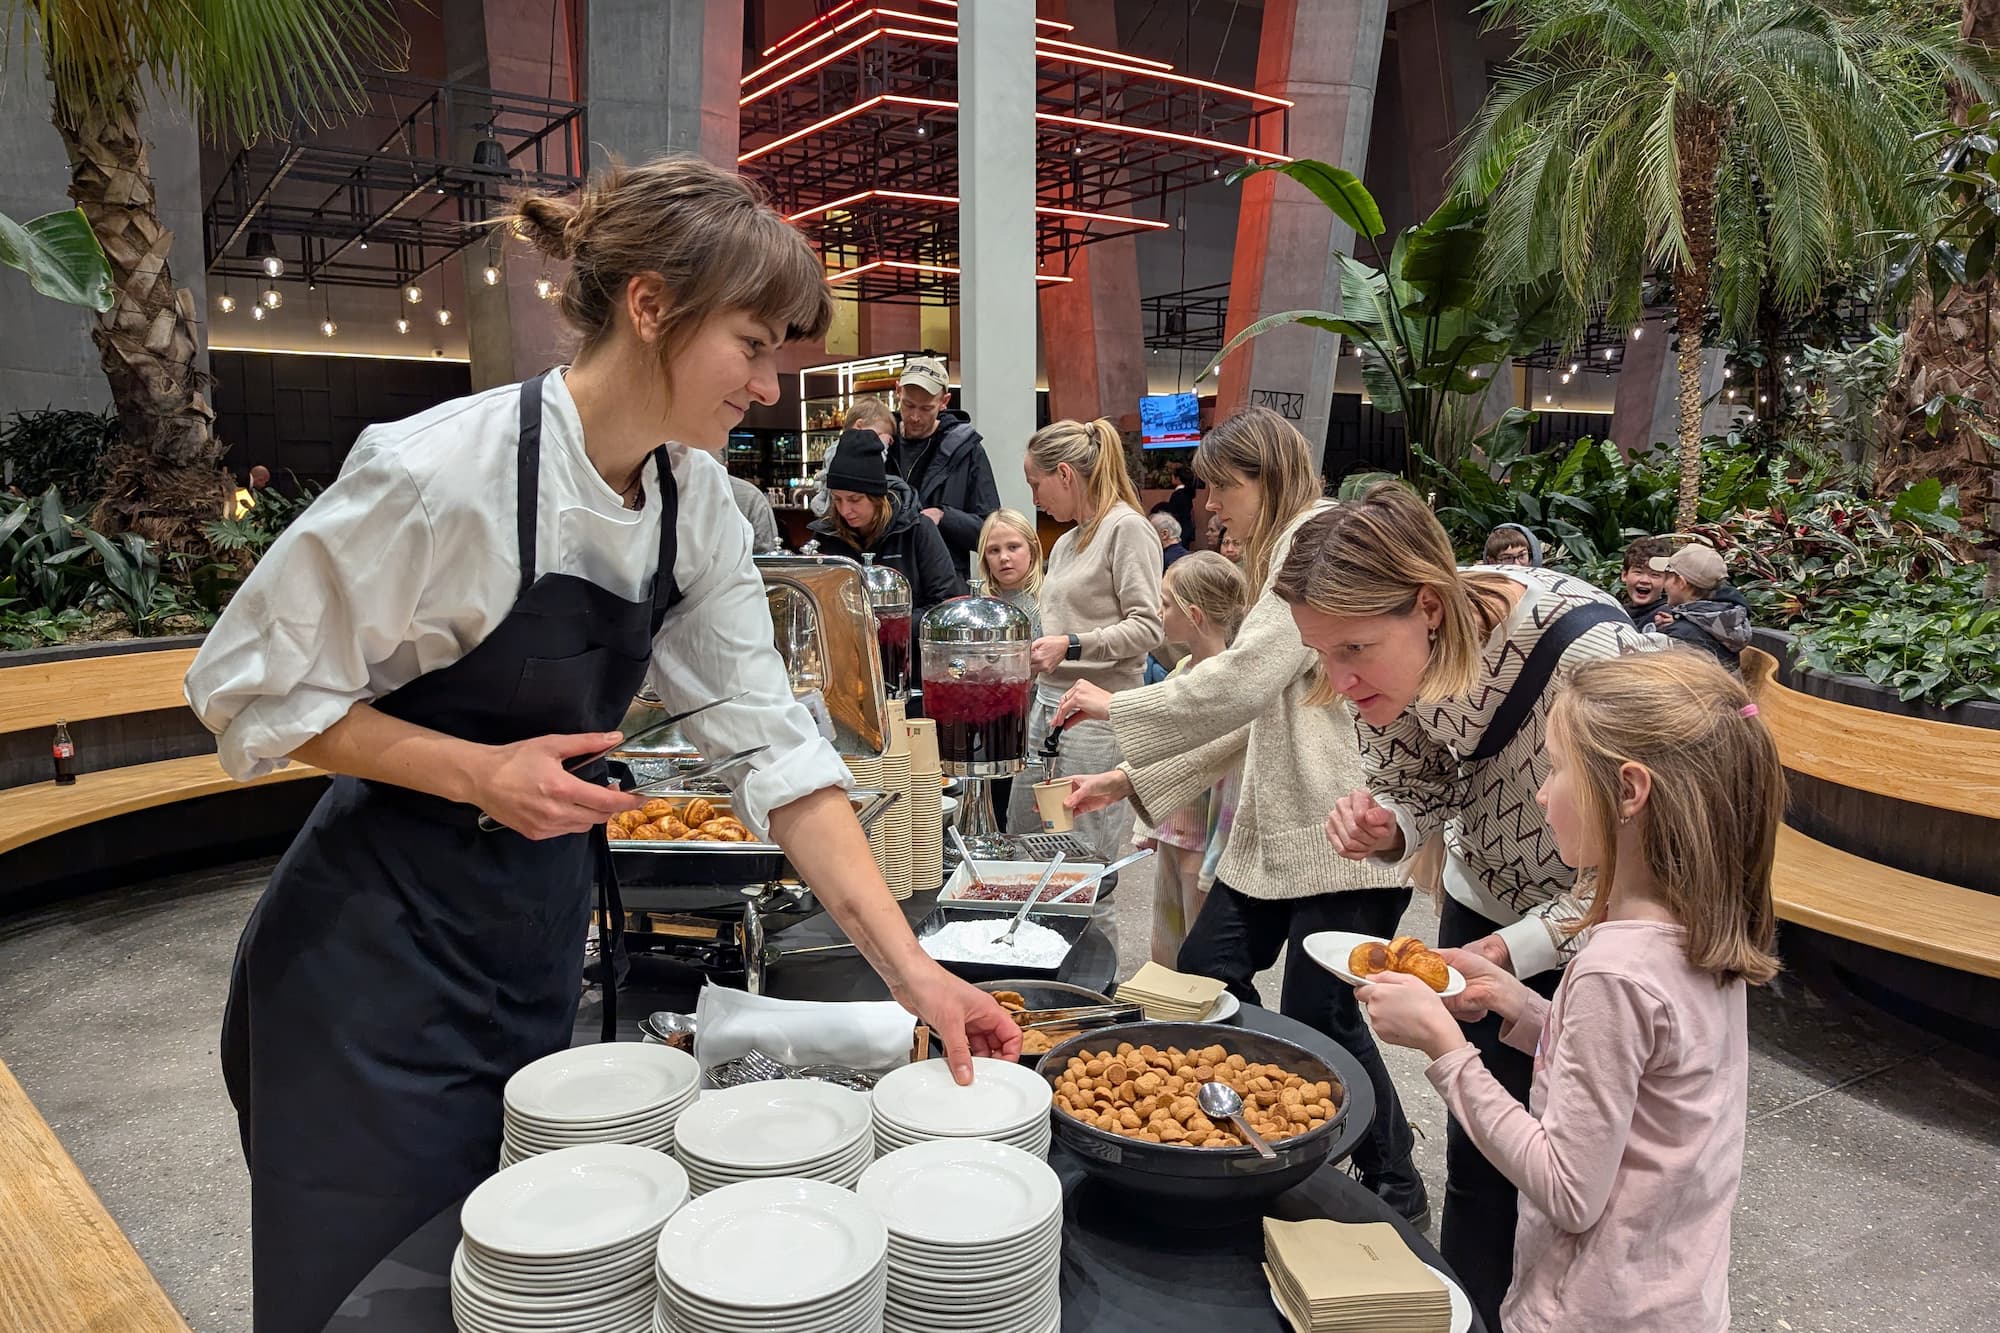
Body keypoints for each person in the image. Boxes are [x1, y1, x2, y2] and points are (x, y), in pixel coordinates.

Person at [183, 156, 1019, 1333]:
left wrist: (913, 974)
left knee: (528, 1284)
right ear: (648, 305)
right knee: (377, 1297)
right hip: (367, 970)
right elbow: (240, 687)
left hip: (525, 949)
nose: (770, 385)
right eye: (753, 342)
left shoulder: (696, 506)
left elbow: (775, 754)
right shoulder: (441, 475)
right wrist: (474, 770)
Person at [1054, 407, 1428, 1225]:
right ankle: (1240, 1127)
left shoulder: (1317, 538)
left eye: (1224, 486)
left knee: (1322, 1013)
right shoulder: (1280, 547)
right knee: (1203, 971)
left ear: (1269, 473)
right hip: (1278, 834)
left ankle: (1391, 1174)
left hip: (1345, 829)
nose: (1214, 505)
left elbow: (1242, 680)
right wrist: (1128, 777)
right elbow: (1250, 713)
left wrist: (1122, 705)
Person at [1292, 480, 1651, 1329]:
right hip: (1480, 904)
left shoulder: (1593, 659)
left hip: (1595, 931)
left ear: (1427, 605)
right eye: (1321, 655)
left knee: (1578, 1171)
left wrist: (1511, 950)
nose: (1340, 681)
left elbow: (1647, 860)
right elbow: (1415, 781)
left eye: (1355, 650)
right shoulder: (1387, 657)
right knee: (1478, 1142)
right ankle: (1475, 1307)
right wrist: (1387, 827)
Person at [1357, 650, 1780, 1333]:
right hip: (1673, 1299)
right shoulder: (1698, 932)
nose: (1541, 792)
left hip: (1587, 1310)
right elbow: (1645, 1076)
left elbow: (1568, 1187)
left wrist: (1443, 1045)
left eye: (1557, 767)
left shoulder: (1612, 968)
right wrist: (1515, 1004)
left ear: (1628, 791)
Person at [1004, 417, 1163, 871]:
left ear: (1066, 475)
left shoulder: (1126, 529)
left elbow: (1149, 627)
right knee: (1024, 840)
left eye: (1037, 484)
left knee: (1081, 861)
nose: (1035, 498)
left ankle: (1092, 943)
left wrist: (1070, 645)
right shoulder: (1068, 541)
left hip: (1098, 714)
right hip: (1049, 704)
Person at [1134, 551, 1248, 964]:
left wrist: (1211, 861)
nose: (1158, 611)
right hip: (1173, 832)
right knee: (1164, 945)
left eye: (1166, 603)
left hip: (1200, 845)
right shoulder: (1182, 667)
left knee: (1196, 957)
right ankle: (1168, 1015)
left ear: (1194, 614)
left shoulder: (1225, 681)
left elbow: (1226, 782)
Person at [808, 429, 966, 614]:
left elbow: (945, 604)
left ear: (876, 496)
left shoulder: (918, 530)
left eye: (854, 499)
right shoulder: (825, 536)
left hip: (907, 641)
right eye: (837, 499)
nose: (844, 510)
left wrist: (893, 627)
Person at [889, 356, 1000, 575]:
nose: (915, 417)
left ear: (944, 401)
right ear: (897, 391)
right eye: (908, 405)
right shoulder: (880, 443)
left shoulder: (967, 450)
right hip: (886, 578)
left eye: (926, 409)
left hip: (944, 581)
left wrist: (944, 517)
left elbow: (993, 530)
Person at [1646, 543, 1752, 671]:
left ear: (1681, 582)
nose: (1664, 584)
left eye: (1667, 577)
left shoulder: (1683, 637)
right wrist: (1680, 621)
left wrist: (1679, 630)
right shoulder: (1724, 620)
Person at [810, 397, 899, 520]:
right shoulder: (839, 450)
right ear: (859, 426)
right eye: (877, 435)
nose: (877, 442)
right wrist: (882, 445)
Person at [976, 508, 1044, 636]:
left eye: (1013, 547)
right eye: (994, 550)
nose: (1003, 557)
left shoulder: (1050, 602)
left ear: (1032, 550)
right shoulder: (976, 609)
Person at [1620, 536, 1673, 625]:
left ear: (1666, 580)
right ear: (1624, 575)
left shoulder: (1667, 616)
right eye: (1638, 572)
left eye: (1655, 574)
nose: (1645, 580)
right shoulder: (1617, 611)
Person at [1165, 460, 1203, 545]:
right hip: (1187, 527)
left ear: (1177, 478)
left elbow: (1172, 512)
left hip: (1179, 528)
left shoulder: (1178, 494)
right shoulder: (1188, 493)